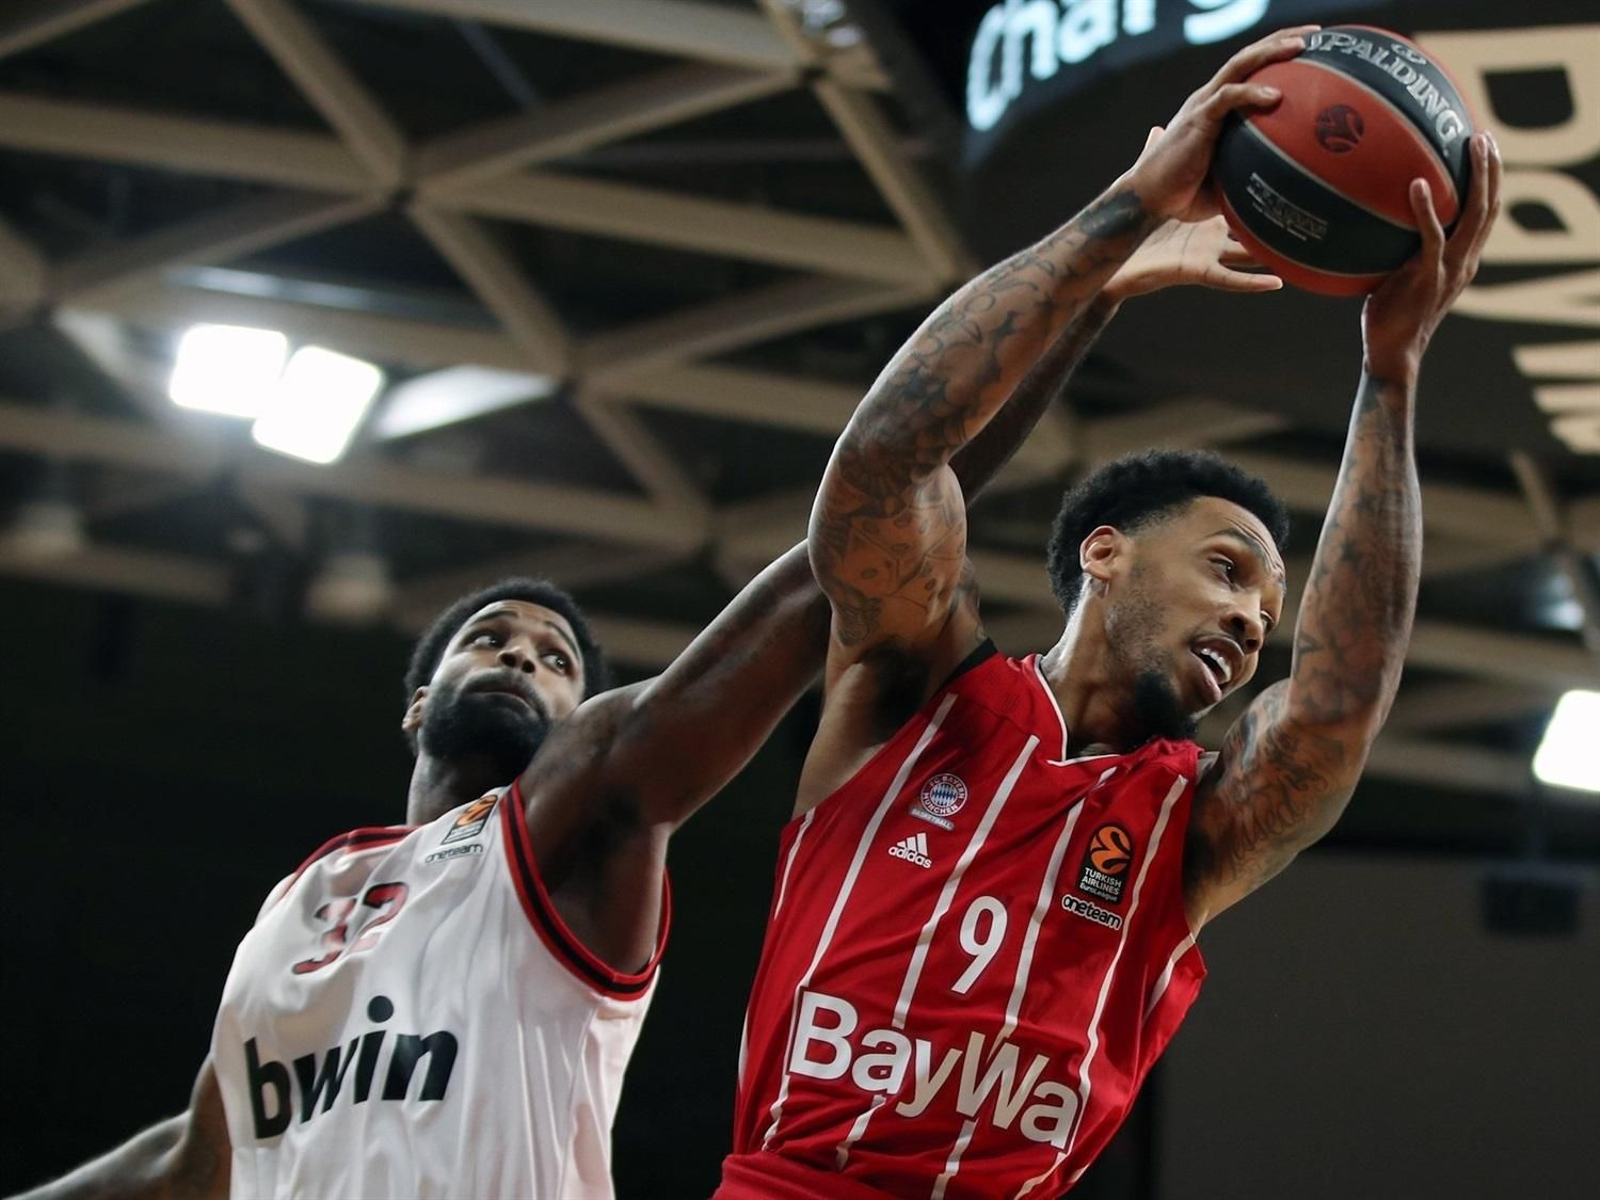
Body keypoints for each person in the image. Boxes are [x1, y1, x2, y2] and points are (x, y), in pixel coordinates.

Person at [10, 194, 1279, 1200]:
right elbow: (198, 1160)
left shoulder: (576, 813)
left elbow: (854, 543)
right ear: (414, 701)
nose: (523, 656)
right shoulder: (300, 907)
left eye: (559, 656)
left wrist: (1083, 296)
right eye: (491, 636)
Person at [717, 25, 1503, 1200]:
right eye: (1228, 570)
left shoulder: (1192, 826)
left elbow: (1337, 705)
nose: (1251, 624)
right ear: (1105, 553)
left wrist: (1390, 375)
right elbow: (885, 464)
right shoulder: (908, 693)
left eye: (1266, 611)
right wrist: (1126, 213)